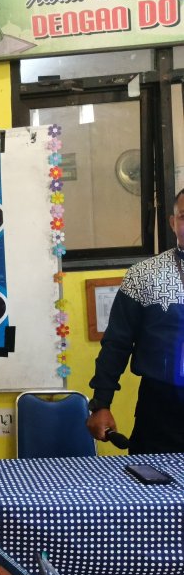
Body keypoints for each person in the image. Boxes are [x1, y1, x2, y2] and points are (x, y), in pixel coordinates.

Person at [87, 188, 184, 453]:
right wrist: (101, 404)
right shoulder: (143, 275)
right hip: (161, 409)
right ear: (172, 222)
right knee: (150, 476)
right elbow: (116, 344)